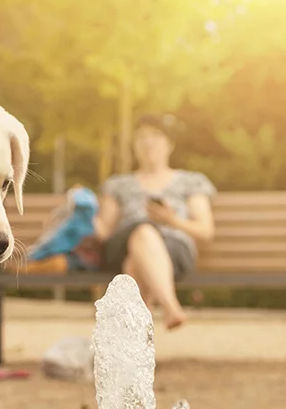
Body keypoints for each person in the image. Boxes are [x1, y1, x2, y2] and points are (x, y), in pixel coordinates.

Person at [93, 113, 217, 330]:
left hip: (174, 249)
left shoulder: (191, 182)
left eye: (156, 136)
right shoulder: (117, 185)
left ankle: (138, 340)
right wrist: (80, 210)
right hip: (122, 244)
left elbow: (205, 230)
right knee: (142, 231)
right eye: (141, 137)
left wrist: (171, 220)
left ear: (170, 144)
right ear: (134, 145)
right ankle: (171, 308)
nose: (148, 142)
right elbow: (104, 231)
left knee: (135, 259)